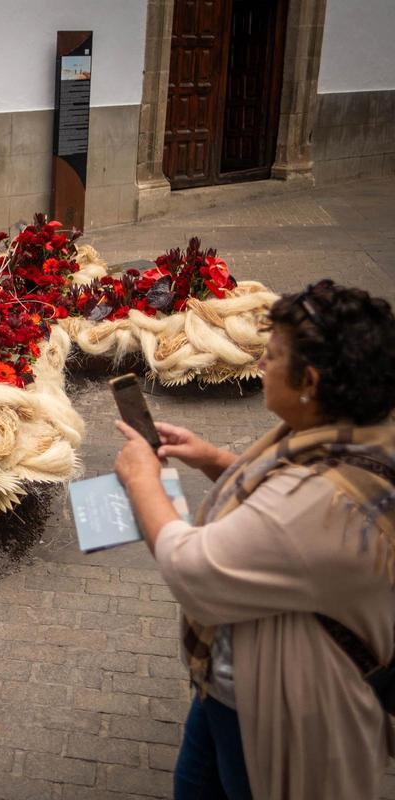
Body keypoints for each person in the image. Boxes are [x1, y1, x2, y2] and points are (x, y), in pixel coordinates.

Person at [114, 279, 395, 799]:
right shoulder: (359, 427)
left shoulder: (323, 501)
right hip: (228, 686)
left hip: (278, 709)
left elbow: (192, 568)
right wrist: (215, 458)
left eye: (271, 358)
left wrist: (141, 481)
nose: (261, 368)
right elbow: (278, 511)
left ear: (308, 379)